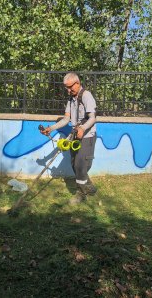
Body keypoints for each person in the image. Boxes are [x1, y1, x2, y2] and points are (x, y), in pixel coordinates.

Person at [40, 72, 98, 204]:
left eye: (70, 87)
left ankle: (81, 194)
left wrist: (83, 128)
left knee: (80, 165)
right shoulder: (71, 99)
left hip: (87, 136)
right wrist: (52, 128)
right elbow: (66, 119)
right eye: (66, 87)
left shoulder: (87, 96)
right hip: (75, 135)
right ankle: (89, 187)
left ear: (77, 83)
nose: (68, 90)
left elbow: (92, 118)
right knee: (74, 164)